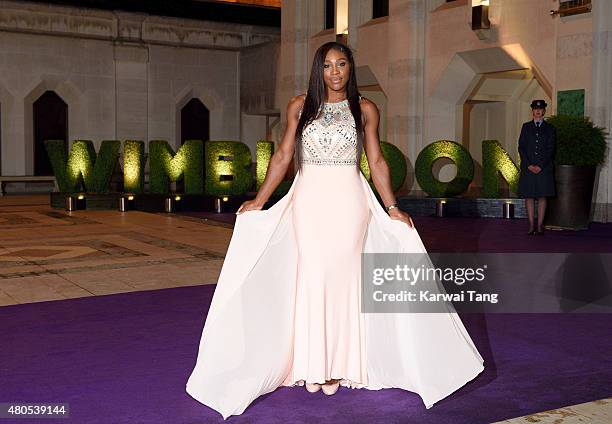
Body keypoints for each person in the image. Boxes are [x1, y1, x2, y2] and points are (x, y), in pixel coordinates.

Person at [185, 41, 484, 419]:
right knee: (313, 275)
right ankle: (313, 362)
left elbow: (375, 159)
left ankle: (341, 363)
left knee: (344, 277)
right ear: (319, 70)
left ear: (350, 68)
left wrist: (392, 205)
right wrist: (259, 200)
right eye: (327, 66)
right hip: (309, 199)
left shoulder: (365, 109)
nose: (335, 72)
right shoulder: (300, 106)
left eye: (341, 64)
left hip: (349, 200)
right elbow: (283, 156)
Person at [518, 100, 556, 235]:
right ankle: (531, 225)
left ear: (544, 111)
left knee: (542, 196)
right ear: (532, 111)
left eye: (540, 109)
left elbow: (551, 149)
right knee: (528, 196)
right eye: (535, 109)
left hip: (543, 168)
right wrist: (528, 164)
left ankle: (540, 226)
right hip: (528, 167)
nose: (538, 111)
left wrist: (540, 165)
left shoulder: (550, 128)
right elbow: (521, 147)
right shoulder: (526, 127)